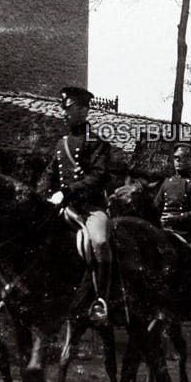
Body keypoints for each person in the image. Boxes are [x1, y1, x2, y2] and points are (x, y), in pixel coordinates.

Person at [36, 86, 113, 325]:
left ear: (83, 110)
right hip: (64, 208)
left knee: (99, 242)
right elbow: (49, 173)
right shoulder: (62, 143)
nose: (64, 113)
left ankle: (102, 299)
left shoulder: (97, 143)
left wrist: (68, 191)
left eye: (68, 108)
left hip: (90, 208)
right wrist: (41, 194)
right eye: (63, 108)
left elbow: (98, 177)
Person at [155, 142, 191, 266]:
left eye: (182, 157)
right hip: (164, 229)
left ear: (190, 161)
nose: (177, 160)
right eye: (175, 157)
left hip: (187, 233)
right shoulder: (166, 183)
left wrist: (174, 219)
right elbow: (156, 207)